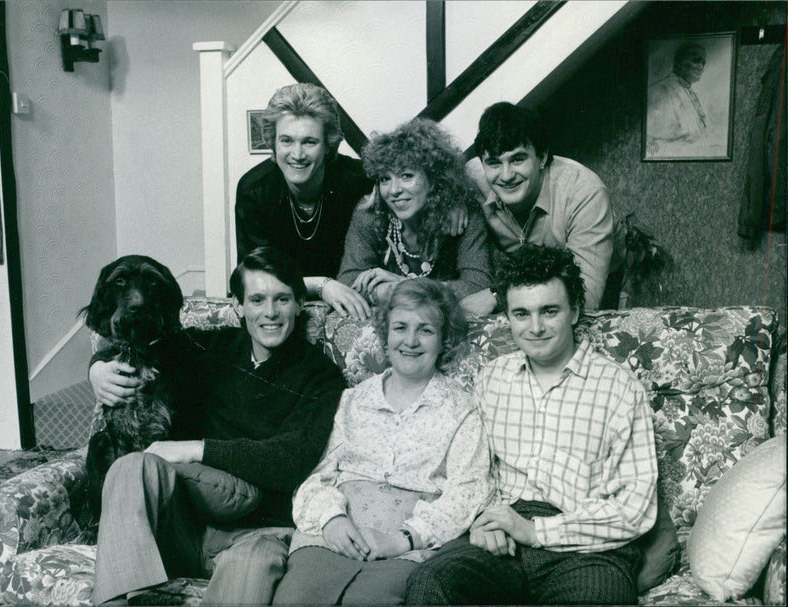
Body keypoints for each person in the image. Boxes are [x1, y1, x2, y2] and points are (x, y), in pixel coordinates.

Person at [88, 246, 346, 606]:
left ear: (299, 303)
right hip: (186, 529)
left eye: (282, 299)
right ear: (239, 307)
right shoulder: (215, 347)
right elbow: (143, 341)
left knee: (250, 562)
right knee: (131, 467)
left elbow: (291, 459)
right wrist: (97, 368)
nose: (269, 313)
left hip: (258, 534)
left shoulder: (320, 375)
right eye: (256, 299)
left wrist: (194, 448)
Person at [405, 244, 658, 605]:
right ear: (507, 317)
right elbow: (469, 469)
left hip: (585, 547)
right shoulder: (492, 378)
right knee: (432, 582)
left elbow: (635, 508)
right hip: (500, 535)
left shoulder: (619, 389)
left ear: (575, 312)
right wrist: (483, 520)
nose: (535, 327)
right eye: (521, 314)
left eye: (549, 311)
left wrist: (536, 531)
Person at [272, 278, 492, 605]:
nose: (411, 341)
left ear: (444, 338)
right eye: (400, 327)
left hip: (407, 545)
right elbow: (314, 474)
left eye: (426, 330)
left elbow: (469, 490)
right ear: (385, 333)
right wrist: (330, 518)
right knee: (295, 600)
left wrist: (406, 538)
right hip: (333, 533)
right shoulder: (351, 401)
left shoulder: (462, 409)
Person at [236, 84, 468, 320]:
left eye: (309, 142)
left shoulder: (358, 179)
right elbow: (254, 277)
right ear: (272, 143)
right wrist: (322, 285)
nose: (297, 154)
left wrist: (452, 199)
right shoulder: (254, 189)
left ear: (327, 145)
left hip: (348, 306)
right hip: (281, 305)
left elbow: (420, 176)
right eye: (286, 140)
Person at [464, 103, 620, 311]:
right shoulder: (474, 177)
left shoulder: (584, 192)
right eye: (493, 163)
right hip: (523, 279)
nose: (506, 175)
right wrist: (452, 203)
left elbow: (583, 298)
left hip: (592, 268)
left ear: (543, 157)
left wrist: (498, 293)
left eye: (518, 159)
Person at [337, 118, 492, 315]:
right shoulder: (370, 214)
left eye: (406, 176)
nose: (394, 190)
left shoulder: (463, 215)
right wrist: (392, 290)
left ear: (434, 178)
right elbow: (348, 281)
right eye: (385, 179)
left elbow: (478, 286)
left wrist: (406, 286)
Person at [646, 42, 708, 151]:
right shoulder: (661, 90)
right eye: (696, 61)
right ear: (680, 63)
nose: (701, 67)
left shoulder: (689, 91)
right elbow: (655, 139)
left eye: (703, 63)